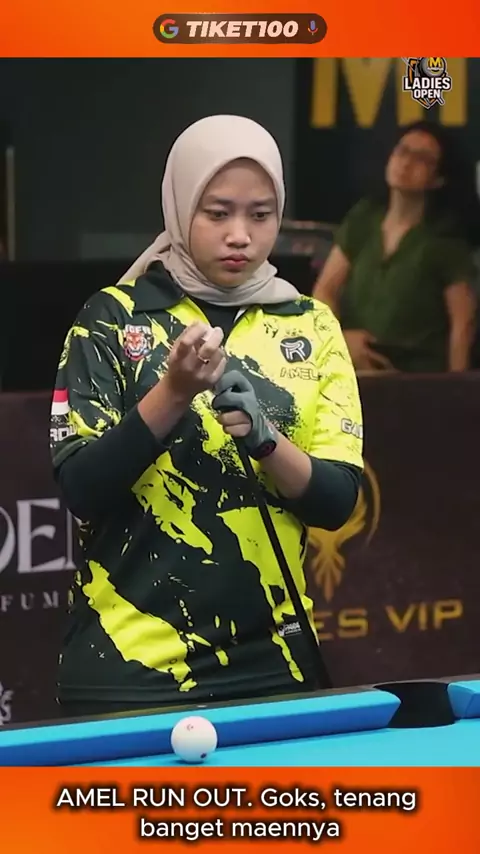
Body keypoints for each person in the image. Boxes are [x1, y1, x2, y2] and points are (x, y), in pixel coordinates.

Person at [49, 115, 364, 718]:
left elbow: (336, 503)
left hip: (275, 664)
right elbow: (81, 488)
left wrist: (268, 442)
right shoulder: (112, 318)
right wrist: (173, 392)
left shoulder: (312, 324)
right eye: (217, 213)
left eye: (261, 214)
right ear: (179, 207)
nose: (240, 235)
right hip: (129, 665)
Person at [313, 121, 479, 373]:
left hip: (415, 378)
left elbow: (463, 324)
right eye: (402, 150)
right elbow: (325, 291)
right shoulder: (364, 218)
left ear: (439, 179)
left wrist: (456, 390)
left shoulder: (445, 239)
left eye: (422, 159)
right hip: (354, 369)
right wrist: (339, 339)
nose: (406, 162)